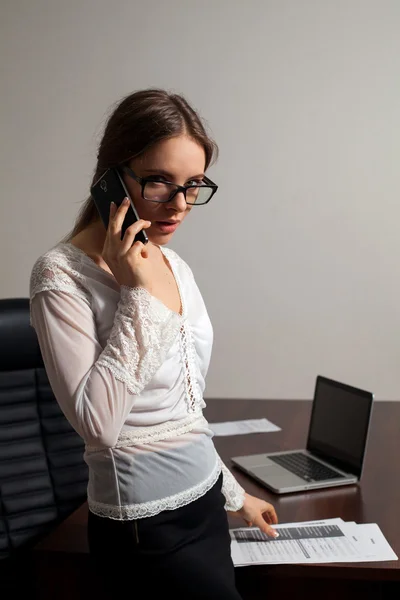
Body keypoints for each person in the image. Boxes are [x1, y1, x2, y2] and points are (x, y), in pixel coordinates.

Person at [29, 88, 278, 599]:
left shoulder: (173, 264)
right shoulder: (60, 277)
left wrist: (234, 495)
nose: (181, 205)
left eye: (193, 185)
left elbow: (185, 413)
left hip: (204, 506)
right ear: (109, 178)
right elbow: (98, 426)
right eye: (160, 181)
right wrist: (137, 294)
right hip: (143, 528)